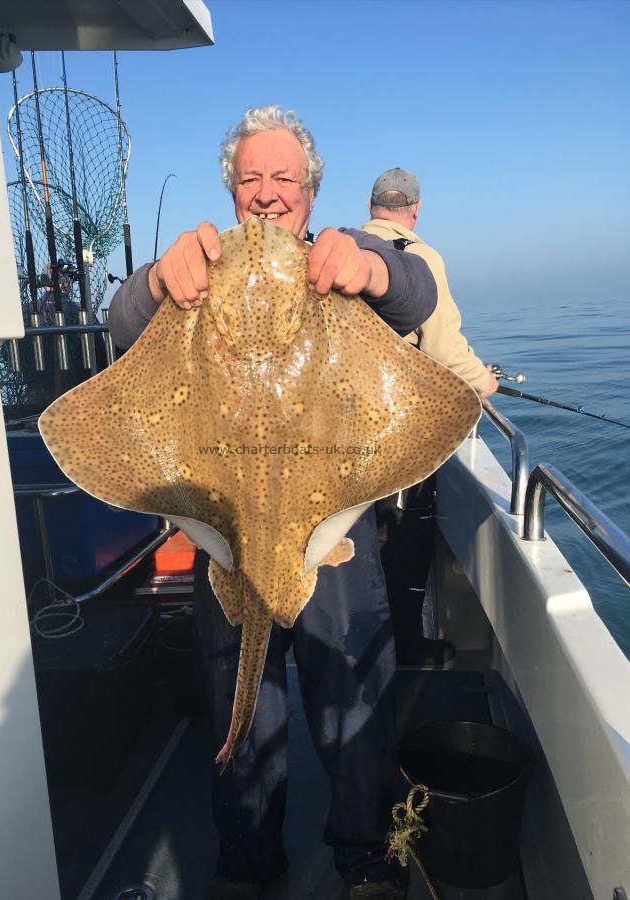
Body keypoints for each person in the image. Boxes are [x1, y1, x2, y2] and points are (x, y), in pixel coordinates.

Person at [108, 107, 439, 900]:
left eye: (282, 178)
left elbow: (415, 294)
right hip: (226, 531)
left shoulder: (344, 251)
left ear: (310, 191)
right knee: (243, 708)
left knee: (348, 699)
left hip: (328, 528)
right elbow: (119, 323)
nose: (265, 194)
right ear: (230, 190)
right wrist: (157, 280)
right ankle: (245, 862)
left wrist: (374, 270)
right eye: (249, 178)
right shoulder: (200, 262)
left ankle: (365, 857)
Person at [362, 168, 498, 668]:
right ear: (415, 209)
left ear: (372, 205)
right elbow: (443, 348)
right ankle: (402, 647)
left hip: (345, 436)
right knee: (404, 542)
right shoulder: (419, 256)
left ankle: (352, 642)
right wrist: (483, 383)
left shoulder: (344, 251)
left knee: (358, 547)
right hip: (403, 435)